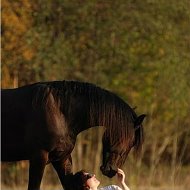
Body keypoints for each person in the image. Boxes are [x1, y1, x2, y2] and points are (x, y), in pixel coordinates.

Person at [64, 168, 130, 190]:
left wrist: (122, 183)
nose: (94, 175)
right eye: (89, 176)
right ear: (84, 186)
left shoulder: (112, 188)